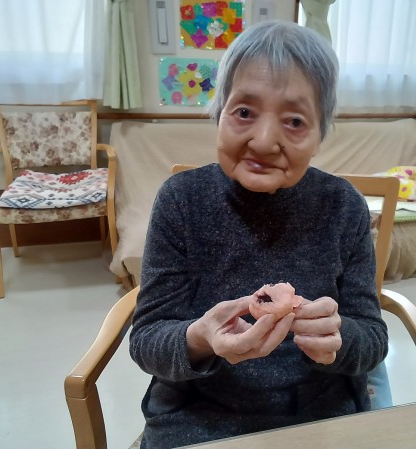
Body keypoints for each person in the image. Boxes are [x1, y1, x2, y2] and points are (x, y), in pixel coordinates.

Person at [130, 20, 389, 448]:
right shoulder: (181, 201)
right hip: (197, 414)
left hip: (317, 413)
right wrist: (201, 338)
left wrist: (337, 337)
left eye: (294, 121)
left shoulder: (344, 207)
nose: (265, 141)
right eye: (244, 112)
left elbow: (373, 340)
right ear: (219, 114)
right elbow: (146, 341)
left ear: (320, 136)